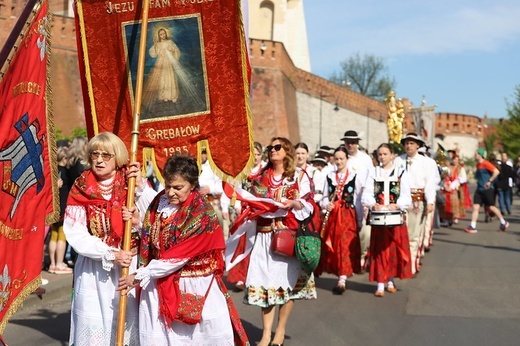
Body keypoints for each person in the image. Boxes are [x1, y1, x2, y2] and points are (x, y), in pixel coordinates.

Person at [117, 154, 248, 346]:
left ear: (193, 185)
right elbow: (154, 236)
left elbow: (179, 255)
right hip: (159, 281)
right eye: (168, 185)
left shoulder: (201, 212)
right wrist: (138, 225)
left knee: (196, 339)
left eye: (178, 188)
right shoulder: (160, 201)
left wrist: (139, 275)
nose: (171, 192)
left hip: (194, 284)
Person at [63, 132, 157, 346]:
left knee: (129, 325)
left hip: (129, 265)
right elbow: (75, 231)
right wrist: (110, 254)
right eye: (95, 154)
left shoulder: (131, 182)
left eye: (106, 155)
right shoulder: (81, 186)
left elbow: (155, 216)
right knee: (95, 324)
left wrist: (141, 187)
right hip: (95, 267)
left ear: (118, 158)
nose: (98, 160)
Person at [243, 137, 316, 346]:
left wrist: (295, 202)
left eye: (277, 147)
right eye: (270, 148)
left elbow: (309, 202)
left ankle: (280, 330)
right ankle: (266, 333)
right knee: (266, 284)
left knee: (286, 285)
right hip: (264, 236)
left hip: (286, 238)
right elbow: (250, 199)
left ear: (287, 151)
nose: (272, 151)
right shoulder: (260, 176)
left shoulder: (298, 176)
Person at [362, 143, 413, 297]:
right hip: (379, 217)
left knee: (392, 248)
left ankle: (390, 279)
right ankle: (380, 283)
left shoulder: (401, 172)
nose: (382, 157)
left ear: (392, 155)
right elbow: (367, 192)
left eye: (385, 154)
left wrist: (398, 204)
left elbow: (406, 195)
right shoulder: (373, 172)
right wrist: (372, 204)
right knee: (379, 249)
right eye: (380, 154)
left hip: (394, 216)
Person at [317, 146, 364, 294]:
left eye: (341, 159)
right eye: (336, 159)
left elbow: (358, 199)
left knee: (345, 244)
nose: (339, 161)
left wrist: (360, 219)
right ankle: (338, 271)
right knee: (335, 245)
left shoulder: (354, 176)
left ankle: (342, 278)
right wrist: (326, 204)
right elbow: (324, 196)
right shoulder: (329, 176)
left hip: (348, 215)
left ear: (347, 159)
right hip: (333, 216)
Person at [394, 133, 440, 275]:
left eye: (412, 143)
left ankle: (412, 264)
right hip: (400, 202)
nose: (408, 146)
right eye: (407, 143)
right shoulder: (398, 161)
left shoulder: (427, 163)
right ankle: (400, 261)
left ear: (418, 146)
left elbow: (431, 183)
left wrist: (430, 201)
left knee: (414, 234)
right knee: (400, 234)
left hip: (417, 200)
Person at [226, 141, 266, 291]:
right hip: (244, 211)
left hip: (260, 210)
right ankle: (240, 277)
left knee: (258, 245)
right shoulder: (242, 171)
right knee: (242, 243)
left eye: (257, 154)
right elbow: (235, 191)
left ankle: (256, 275)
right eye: (252, 154)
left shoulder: (265, 171)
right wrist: (236, 207)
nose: (255, 157)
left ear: (261, 155)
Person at [341, 130, 374, 271]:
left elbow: (372, 177)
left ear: (358, 143)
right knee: (349, 230)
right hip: (347, 199)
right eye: (348, 142)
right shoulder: (342, 158)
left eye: (353, 142)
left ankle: (363, 256)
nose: (351, 145)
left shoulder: (365, 159)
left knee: (364, 232)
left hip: (363, 197)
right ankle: (351, 259)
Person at [465, 149, 509, 233]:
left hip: (487, 189)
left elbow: (496, 172)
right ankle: (472, 226)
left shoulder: (486, 163)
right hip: (479, 189)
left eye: (476, 154)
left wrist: (489, 181)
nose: (475, 155)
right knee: (475, 207)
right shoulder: (478, 165)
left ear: (480, 155)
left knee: (491, 207)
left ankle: (503, 222)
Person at [48, 146, 73, 274]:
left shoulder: (52, 171)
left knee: (54, 235)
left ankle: (52, 264)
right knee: (62, 236)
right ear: (64, 158)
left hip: (53, 208)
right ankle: (59, 264)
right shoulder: (64, 172)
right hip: (63, 208)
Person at [144, 27, 181, 106]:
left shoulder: (170, 42)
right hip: (161, 62)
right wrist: (155, 44)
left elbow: (176, 51)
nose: (163, 35)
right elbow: (155, 53)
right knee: (162, 78)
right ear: (158, 36)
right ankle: (165, 95)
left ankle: (173, 95)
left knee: (170, 77)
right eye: (161, 34)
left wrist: (172, 50)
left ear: (166, 33)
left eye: (164, 33)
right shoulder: (158, 44)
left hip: (169, 62)